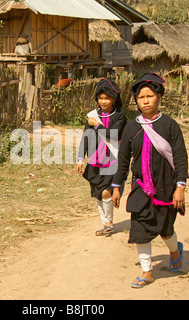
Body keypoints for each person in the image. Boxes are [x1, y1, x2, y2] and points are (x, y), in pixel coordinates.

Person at [111, 72, 189, 288]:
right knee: (140, 231)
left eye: (150, 96)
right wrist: (116, 186)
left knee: (165, 230)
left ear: (159, 97)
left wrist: (180, 187)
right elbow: (124, 160)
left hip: (167, 186)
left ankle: (174, 249)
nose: (145, 101)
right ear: (136, 101)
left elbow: (181, 158)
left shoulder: (170, 126)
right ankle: (147, 272)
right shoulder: (131, 127)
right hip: (141, 187)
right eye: (141, 97)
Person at [77, 78, 127, 236]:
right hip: (94, 160)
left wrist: (97, 125)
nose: (104, 101)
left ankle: (109, 223)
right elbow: (86, 137)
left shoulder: (120, 116)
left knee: (106, 192)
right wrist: (80, 158)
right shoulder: (92, 115)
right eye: (101, 98)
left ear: (114, 99)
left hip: (112, 159)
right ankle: (105, 222)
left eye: (107, 98)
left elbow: (115, 134)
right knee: (98, 194)